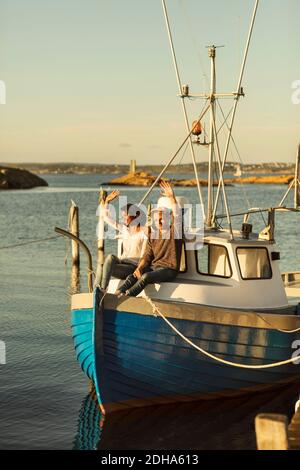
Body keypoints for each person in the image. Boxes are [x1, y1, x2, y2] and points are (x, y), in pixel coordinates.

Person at [116, 181, 182, 297]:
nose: (159, 222)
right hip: (155, 267)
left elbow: (177, 216)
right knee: (134, 274)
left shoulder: (174, 231)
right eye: (156, 220)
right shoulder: (153, 235)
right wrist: (139, 268)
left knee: (146, 276)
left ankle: (128, 296)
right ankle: (118, 293)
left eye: (161, 218)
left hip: (169, 269)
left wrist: (172, 198)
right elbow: (147, 256)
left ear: (168, 218)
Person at [96, 190, 147, 290]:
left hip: (133, 267)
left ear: (135, 216)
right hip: (122, 262)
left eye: (125, 216)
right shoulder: (125, 229)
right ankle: (98, 289)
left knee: (104, 268)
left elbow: (145, 255)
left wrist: (139, 270)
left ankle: (101, 290)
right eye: (123, 217)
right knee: (110, 258)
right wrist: (107, 202)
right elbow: (105, 217)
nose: (123, 219)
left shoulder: (144, 233)